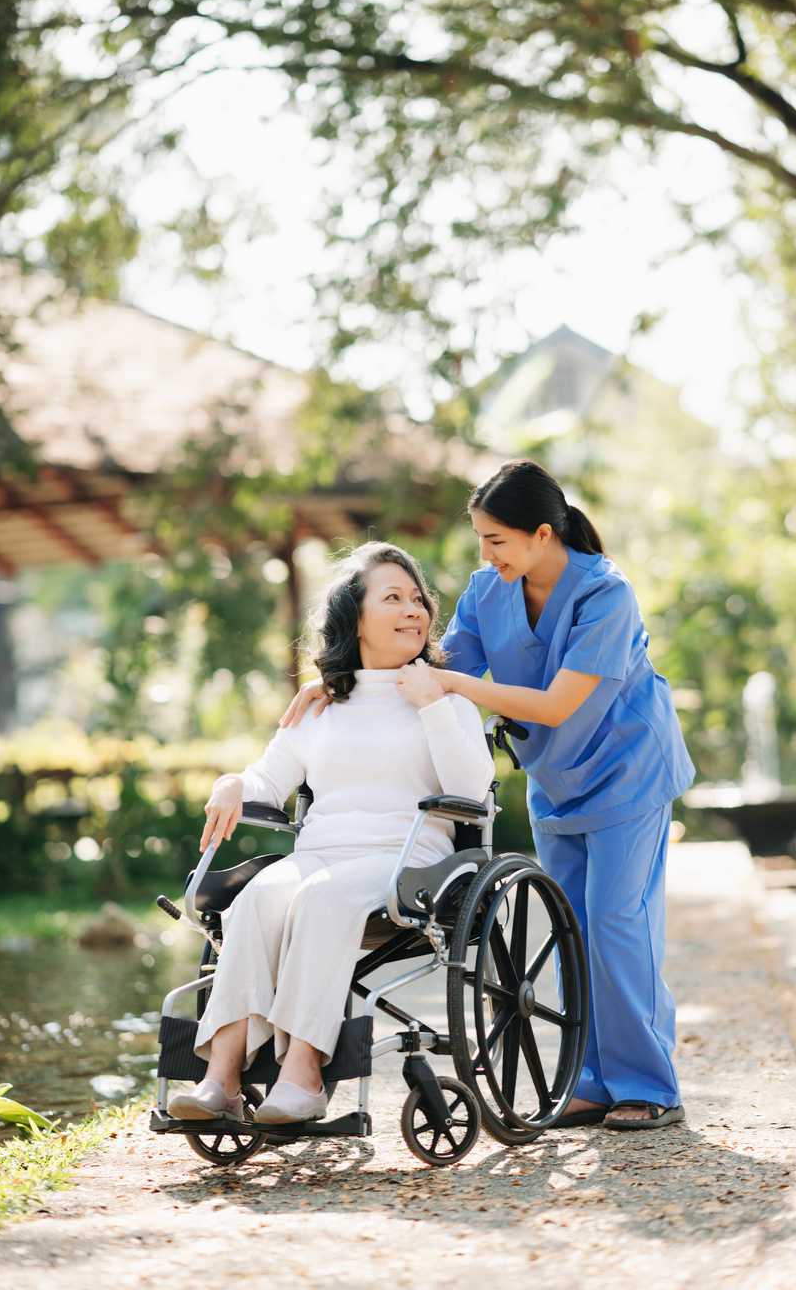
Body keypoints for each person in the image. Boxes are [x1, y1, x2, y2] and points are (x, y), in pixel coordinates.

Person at [283, 460, 694, 1131]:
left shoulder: (604, 595)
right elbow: (439, 667)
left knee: (618, 924)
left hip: (628, 773)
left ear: (539, 533)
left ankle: (648, 1083)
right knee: (572, 934)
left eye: (495, 539)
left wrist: (457, 689)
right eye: (479, 538)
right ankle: (591, 1081)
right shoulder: (488, 589)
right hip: (555, 780)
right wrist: (339, 680)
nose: (484, 554)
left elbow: (557, 703)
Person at [168, 542, 494, 1126]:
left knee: (322, 896)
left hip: (410, 861)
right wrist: (232, 782)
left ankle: (305, 1075)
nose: (414, 610)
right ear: (355, 618)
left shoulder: (448, 694)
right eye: (392, 597)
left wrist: (432, 703)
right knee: (258, 896)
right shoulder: (321, 705)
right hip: (320, 853)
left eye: (418, 599)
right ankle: (222, 1078)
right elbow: (267, 778)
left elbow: (472, 789)